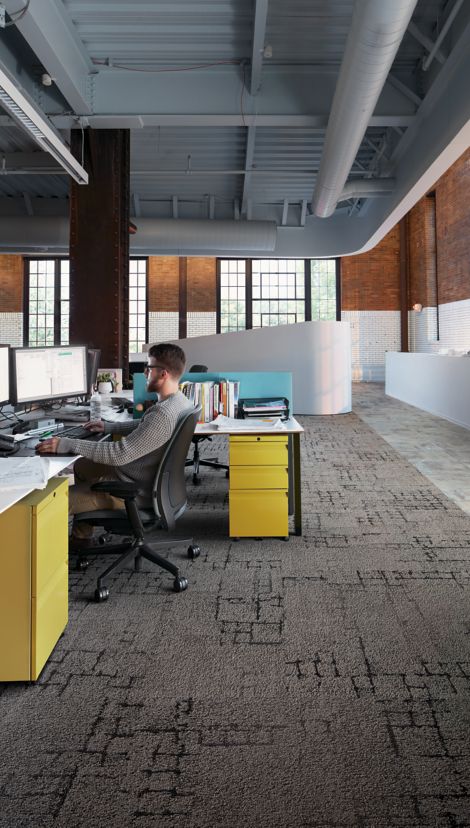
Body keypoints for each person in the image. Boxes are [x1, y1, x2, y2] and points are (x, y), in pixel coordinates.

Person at [36, 342, 192, 549]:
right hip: (143, 476)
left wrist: (66, 443)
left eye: (149, 367)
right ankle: (81, 539)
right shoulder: (179, 402)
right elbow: (147, 426)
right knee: (82, 466)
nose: (144, 372)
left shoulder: (162, 414)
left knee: (47, 505)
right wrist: (110, 427)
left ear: (162, 374)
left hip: (132, 490)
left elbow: (119, 454)